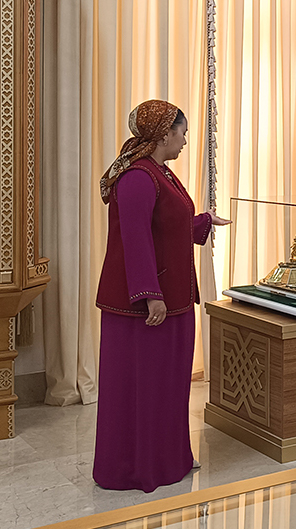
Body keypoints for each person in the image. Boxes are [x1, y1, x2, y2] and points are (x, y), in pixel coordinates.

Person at [93, 99, 230, 492]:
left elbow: (167, 225)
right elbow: (134, 239)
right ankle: (138, 468)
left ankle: (170, 458)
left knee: (168, 386)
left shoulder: (160, 173)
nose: (185, 140)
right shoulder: (138, 177)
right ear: (164, 134)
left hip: (173, 301)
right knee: (145, 387)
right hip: (147, 309)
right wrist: (150, 294)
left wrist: (204, 221)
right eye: (182, 133)